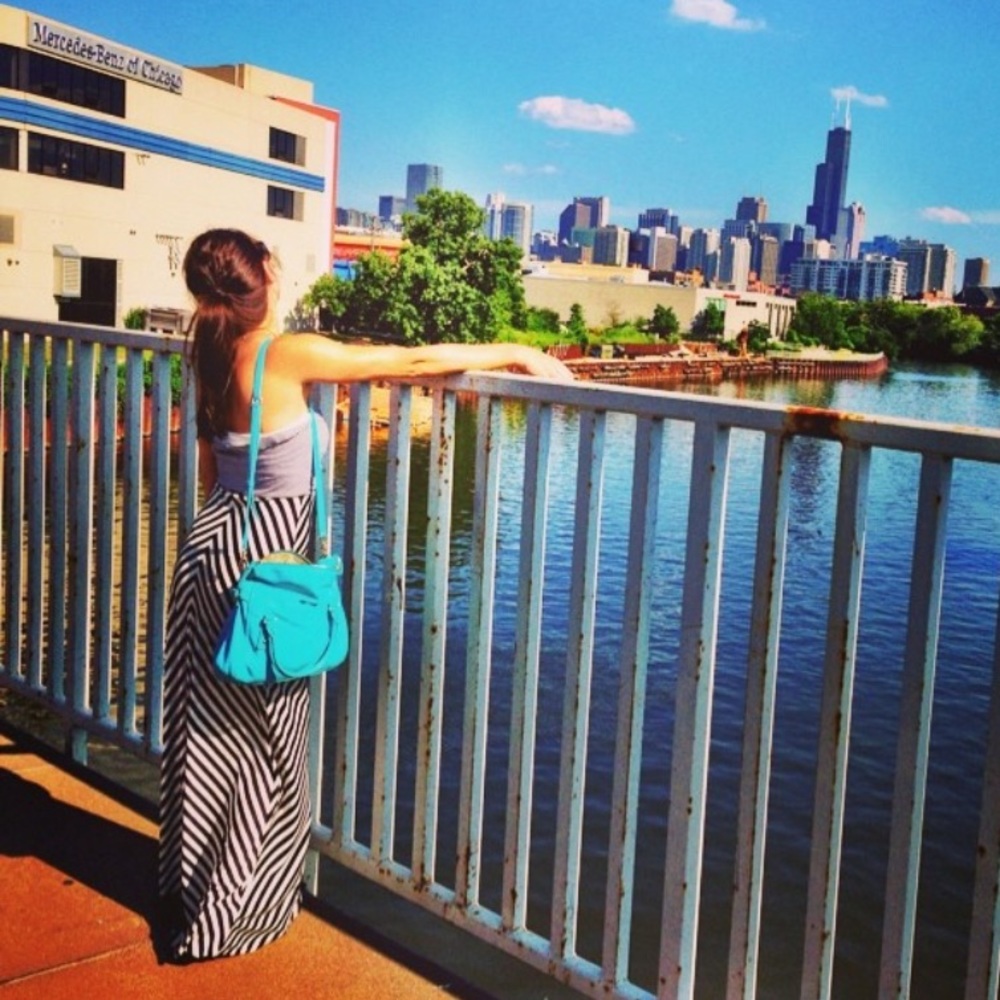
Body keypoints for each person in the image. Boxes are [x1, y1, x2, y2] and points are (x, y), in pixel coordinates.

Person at [158, 227, 572, 962]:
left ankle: (191, 889)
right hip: (269, 567)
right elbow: (406, 361)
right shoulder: (285, 352)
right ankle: (237, 911)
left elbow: (210, 466)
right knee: (269, 742)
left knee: (210, 735)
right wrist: (514, 351)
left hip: (210, 552)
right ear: (266, 278)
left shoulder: (212, 351)